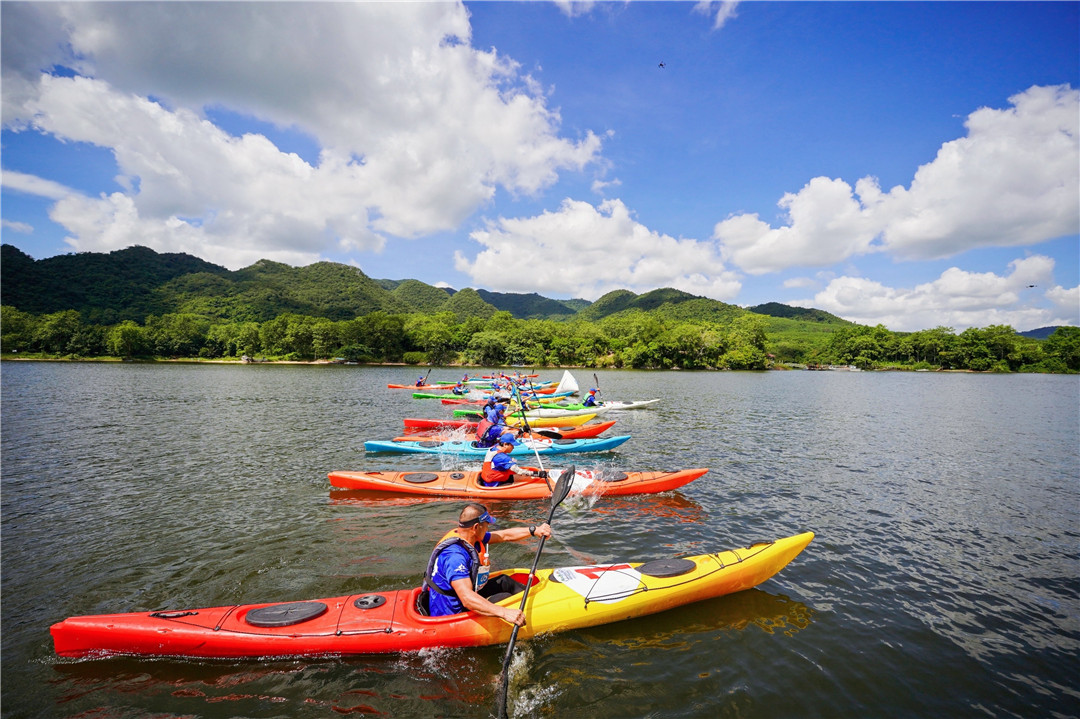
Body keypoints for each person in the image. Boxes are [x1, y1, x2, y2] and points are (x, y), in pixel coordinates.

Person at [424, 502, 552, 624]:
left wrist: (534, 530)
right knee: (505, 597)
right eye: (486, 525)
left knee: (504, 581)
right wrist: (504, 613)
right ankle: (532, 614)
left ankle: (539, 601)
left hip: (464, 595)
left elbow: (504, 535)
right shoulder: (454, 557)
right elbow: (466, 598)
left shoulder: (468, 535)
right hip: (452, 612)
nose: (488, 528)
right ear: (476, 527)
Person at [480, 433, 547, 486]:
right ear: (505, 444)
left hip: (489, 477)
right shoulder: (502, 458)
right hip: (495, 483)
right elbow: (519, 471)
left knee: (521, 475)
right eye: (512, 445)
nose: (513, 447)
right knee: (526, 477)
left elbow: (509, 438)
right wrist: (538, 474)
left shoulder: (496, 446)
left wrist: (520, 432)